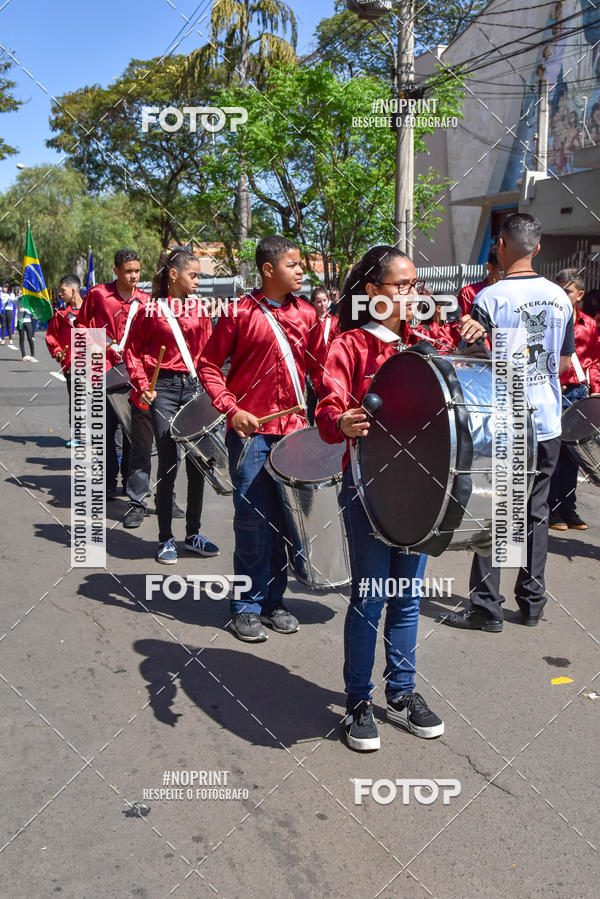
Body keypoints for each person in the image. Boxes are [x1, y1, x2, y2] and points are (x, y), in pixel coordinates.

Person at [315, 245, 444, 752]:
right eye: (401, 285)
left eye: (416, 286)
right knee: (370, 597)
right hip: (368, 490)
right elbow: (327, 411)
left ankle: (403, 692)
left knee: (408, 599)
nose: (412, 295)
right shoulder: (347, 347)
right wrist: (341, 420)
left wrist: (479, 336)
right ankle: (357, 701)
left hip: (420, 491)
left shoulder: (427, 344)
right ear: (373, 293)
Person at [444, 213, 574, 632]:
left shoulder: (491, 298)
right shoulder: (561, 298)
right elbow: (567, 361)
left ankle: (487, 606)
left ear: (500, 245)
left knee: (498, 512)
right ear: (537, 248)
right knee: (535, 512)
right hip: (549, 419)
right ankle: (532, 602)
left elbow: (473, 362)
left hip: (510, 418)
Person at [198, 235, 326, 642]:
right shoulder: (238, 313)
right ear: (268, 270)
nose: (302, 270)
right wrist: (232, 410)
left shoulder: (308, 315)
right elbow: (208, 365)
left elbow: (325, 372)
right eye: (293, 264)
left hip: (295, 437)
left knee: (289, 522)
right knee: (254, 520)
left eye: (302, 264)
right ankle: (246, 605)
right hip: (252, 436)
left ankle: (275, 601)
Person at [125, 247, 219, 564]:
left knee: (198, 465)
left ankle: (192, 534)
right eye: (194, 275)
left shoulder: (202, 309)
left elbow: (209, 357)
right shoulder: (149, 310)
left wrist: (213, 393)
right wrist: (142, 386)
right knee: (169, 460)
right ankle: (166, 538)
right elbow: (132, 352)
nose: (198, 281)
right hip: (162, 388)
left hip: (193, 388)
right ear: (174, 275)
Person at [77, 249, 148, 499]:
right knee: (105, 431)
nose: (134, 276)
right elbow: (82, 327)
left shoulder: (146, 300)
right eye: (128, 271)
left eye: (137, 271)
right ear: (116, 270)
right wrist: (99, 348)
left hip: (133, 374)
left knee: (132, 432)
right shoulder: (98, 295)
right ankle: (107, 482)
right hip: (102, 371)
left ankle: (131, 483)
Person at [549, 269, 600, 531]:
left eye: (567, 291)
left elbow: (594, 360)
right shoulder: (547, 320)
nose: (561, 295)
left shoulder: (589, 325)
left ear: (579, 295)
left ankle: (569, 509)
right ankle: (551, 510)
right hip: (555, 392)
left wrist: (595, 389)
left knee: (574, 457)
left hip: (578, 393)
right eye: (557, 289)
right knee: (553, 455)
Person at [46, 275, 84, 445]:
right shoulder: (61, 315)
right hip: (72, 365)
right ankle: (77, 435)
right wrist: (58, 351)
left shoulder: (92, 311)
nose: (60, 294)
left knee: (96, 401)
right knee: (76, 400)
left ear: (73, 290)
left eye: (63, 291)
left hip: (95, 364)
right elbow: (52, 336)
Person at [306, 286, 338, 424]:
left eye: (325, 300)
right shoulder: (307, 321)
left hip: (329, 367)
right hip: (311, 367)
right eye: (318, 302)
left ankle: (327, 425)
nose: (322, 304)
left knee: (328, 399)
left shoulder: (334, 321)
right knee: (312, 400)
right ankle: (310, 427)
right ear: (313, 303)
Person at [457, 246, 502, 318]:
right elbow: (457, 325)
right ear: (489, 267)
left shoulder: (512, 293)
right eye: (501, 271)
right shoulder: (468, 293)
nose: (506, 275)